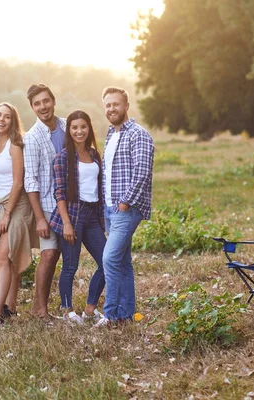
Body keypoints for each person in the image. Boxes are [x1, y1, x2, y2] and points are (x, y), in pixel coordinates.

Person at [0, 102, 39, 325]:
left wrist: (6, 215)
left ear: (13, 120)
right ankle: (10, 306)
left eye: (6, 116)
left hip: (16, 206)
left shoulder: (15, 145)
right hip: (0, 204)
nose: (1, 120)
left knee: (3, 257)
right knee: (8, 257)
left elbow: (17, 183)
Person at [101, 86, 154, 325]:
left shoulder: (138, 134)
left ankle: (111, 314)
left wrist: (125, 202)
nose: (112, 109)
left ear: (126, 106)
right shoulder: (111, 135)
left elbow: (141, 173)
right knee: (122, 261)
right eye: (108, 105)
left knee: (110, 259)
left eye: (116, 104)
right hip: (110, 209)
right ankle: (126, 314)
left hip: (126, 208)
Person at [49, 110, 106, 324]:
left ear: (89, 128)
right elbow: (60, 193)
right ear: (69, 131)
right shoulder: (62, 157)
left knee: (107, 262)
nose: (79, 131)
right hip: (74, 215)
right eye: (74, 127)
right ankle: (67, 310)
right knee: (70, 266)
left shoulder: (94, 155)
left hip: (92, 216)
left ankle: (90, 309)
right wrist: (66, 223)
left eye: (83, 127)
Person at [23, 84, 66, 319]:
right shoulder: (32, 138)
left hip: (69, 204)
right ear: (32, 107)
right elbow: (30, 180)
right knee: (49, 254)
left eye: (46, 101)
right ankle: (39, 309)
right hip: (48, 206)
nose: (43, 107)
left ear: (53, 100)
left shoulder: (68, 126)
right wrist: (39, 217)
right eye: (37, 103)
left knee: (58, 254)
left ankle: (51, 306)